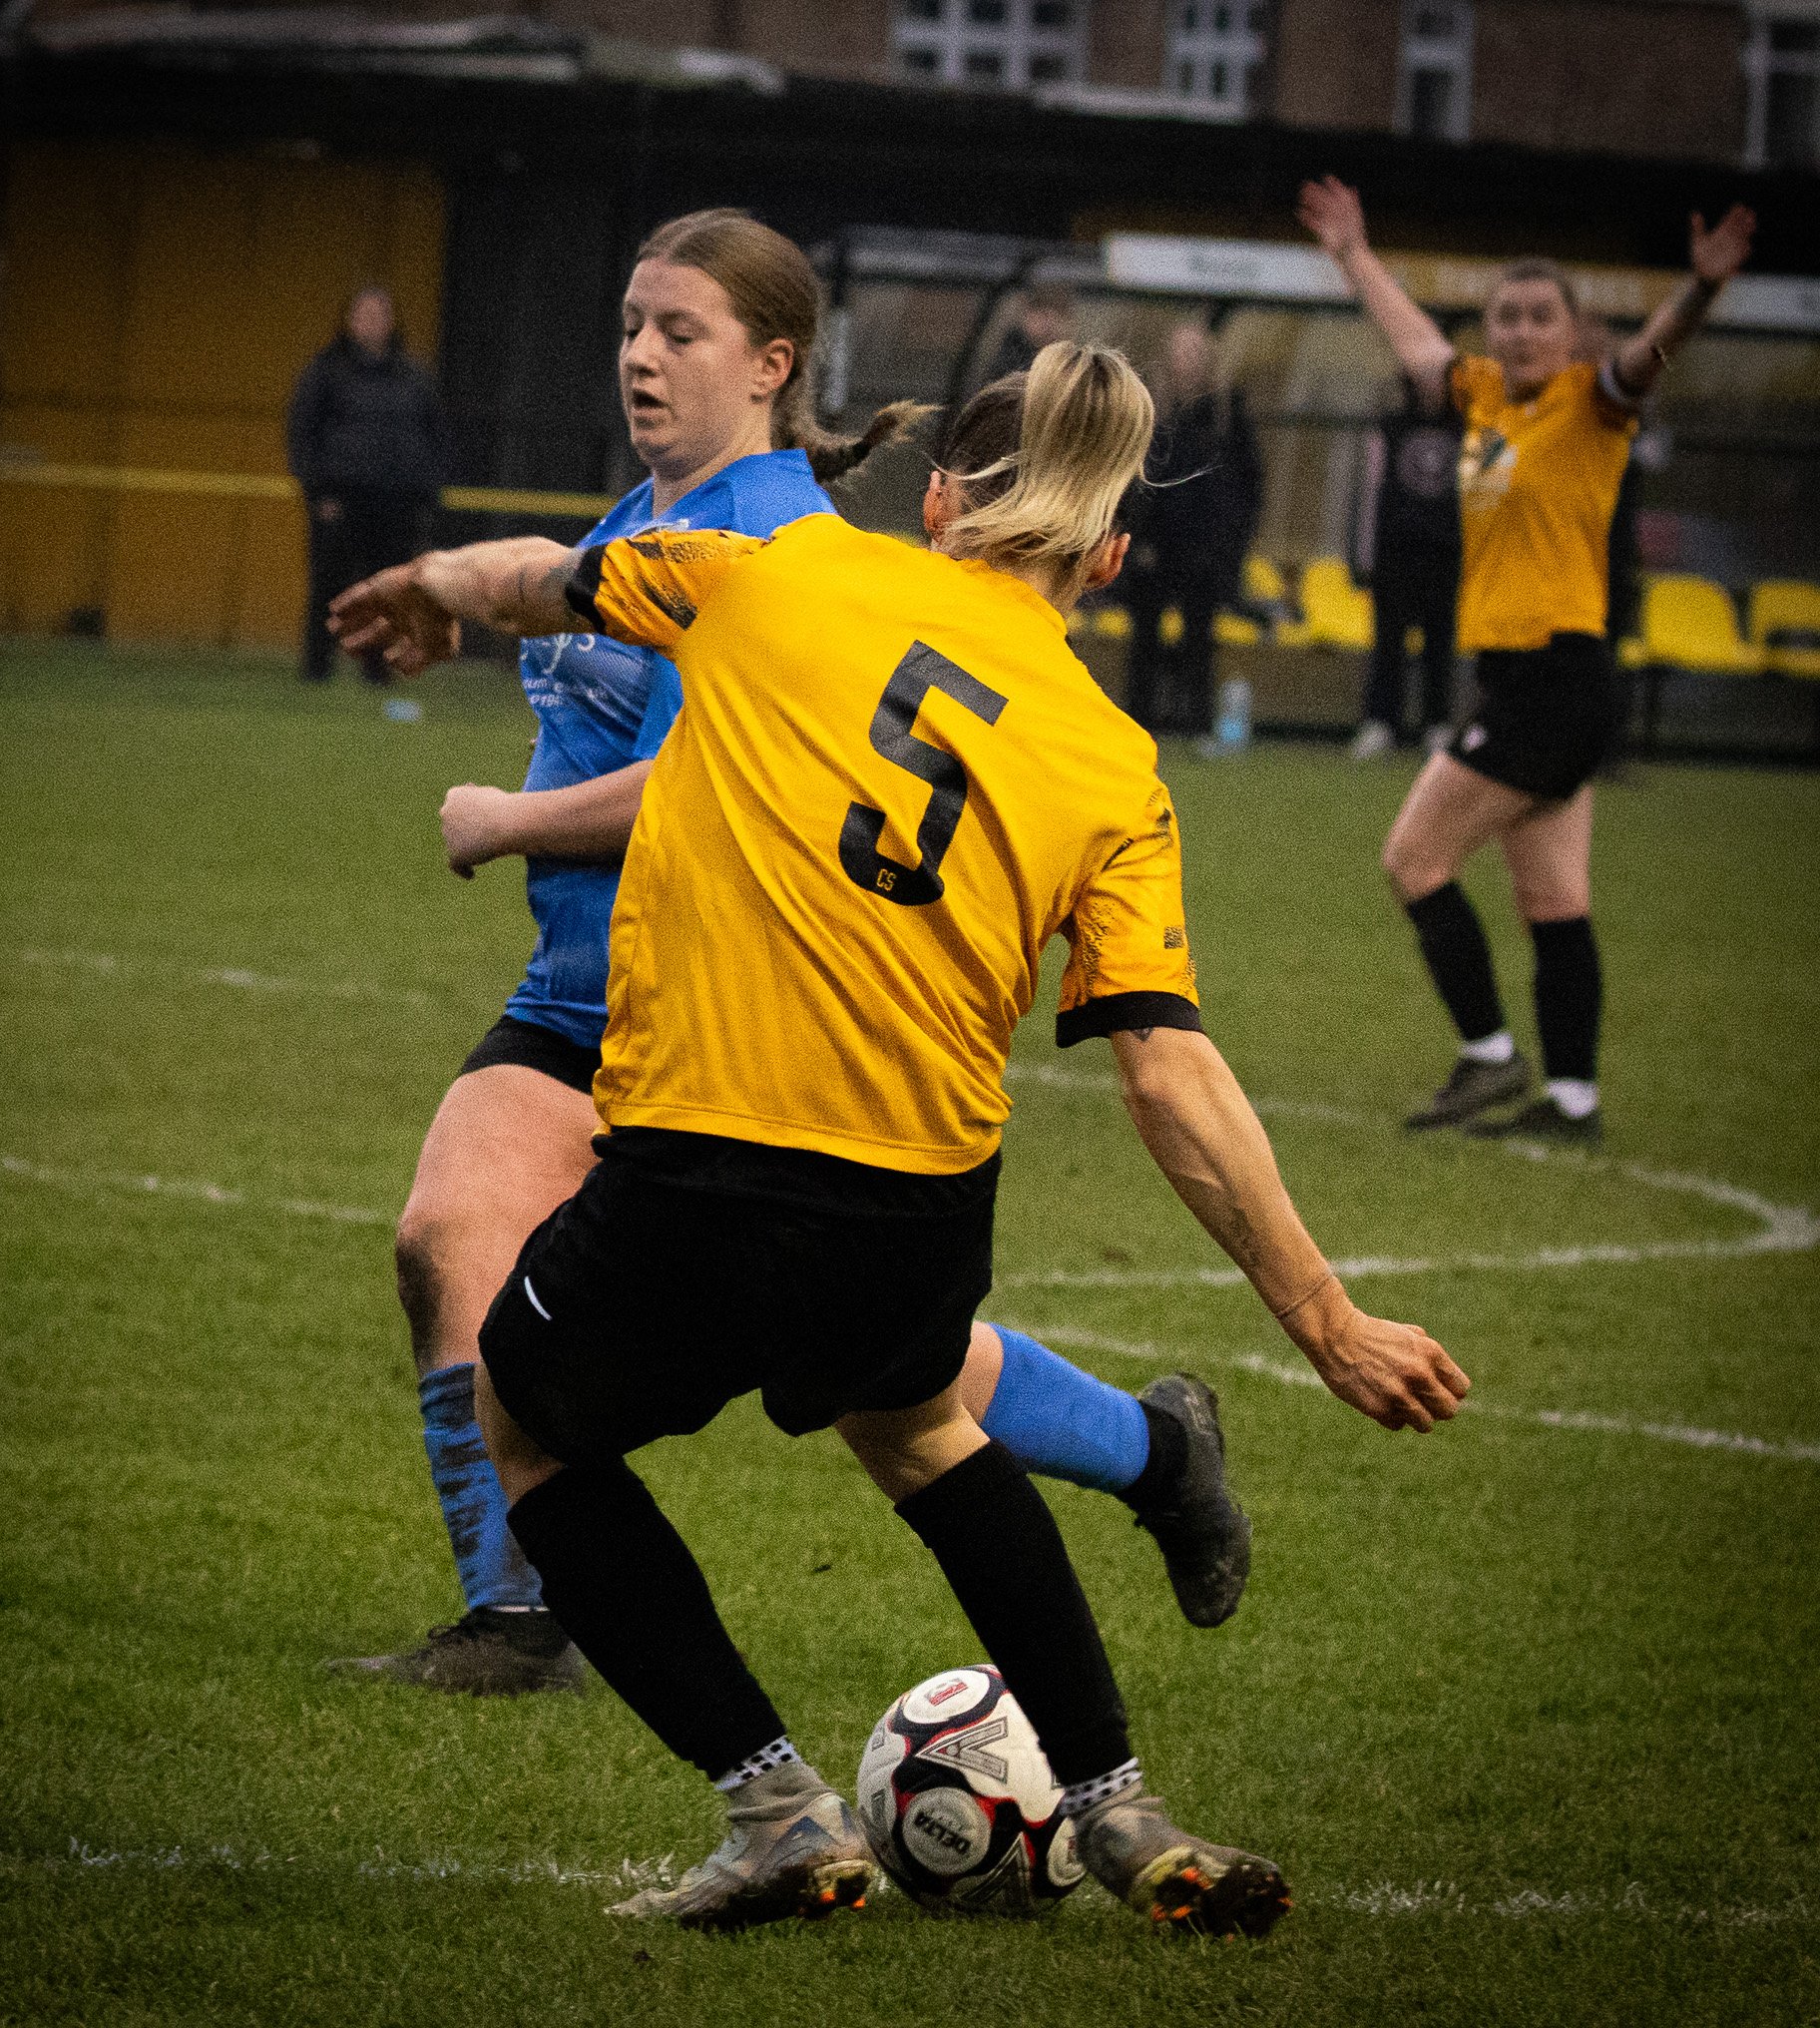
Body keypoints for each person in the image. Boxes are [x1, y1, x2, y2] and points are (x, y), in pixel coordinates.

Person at [332, 341, 1468, 1936]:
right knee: (923, 1425)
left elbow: (548, 576)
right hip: (922, 1209)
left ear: (935, 503)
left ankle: (778, 1812)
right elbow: (1169, 1078)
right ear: (1112, 559)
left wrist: (431, 581)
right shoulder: (1117, 769)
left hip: (700, 1165)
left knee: (530, 1426)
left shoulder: (777, 577)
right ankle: (1122, 1811)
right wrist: (1326, 1322)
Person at [333, 211, 1260, 1702]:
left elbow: (701, 783)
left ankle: (1156, 1453)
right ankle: (513, 1624)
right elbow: (566, 617)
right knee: (455, 1240)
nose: (639, 354)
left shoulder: (774, 544)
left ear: (772, 364)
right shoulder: (646, 517)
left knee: (870, 1373)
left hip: (716, 1003)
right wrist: (456, 601)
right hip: (584, 988)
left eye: (678, 331)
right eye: (630, 323)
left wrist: (508, 819)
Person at [1298, 177, 1756, 1141]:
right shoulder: (1481, 400)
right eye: (1505, 316)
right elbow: (1417, 341)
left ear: (1575, 333)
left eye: (1541, 317)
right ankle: (1573, 1102)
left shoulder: (1594, 404)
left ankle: (1490, 1056)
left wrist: (1702, 289)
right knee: (1552, 896)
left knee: (1413, 858)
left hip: (1554, 677)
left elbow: (1647, 356)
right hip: (1528, 681)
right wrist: (1352, 253)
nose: (1518, 331)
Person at [287, 286, 453, 684]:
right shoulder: (326, 371)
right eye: (363, 314)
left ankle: (378, 671)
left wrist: (425, 491)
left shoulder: (413, 376)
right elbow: (301, 433)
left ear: (392, 320)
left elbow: (436, 436)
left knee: (390, 591)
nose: (372, 322)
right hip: (340, 500)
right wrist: (318, 491)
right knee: (330, 588)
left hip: (396, 502)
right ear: (348, 319)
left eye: (380, 314)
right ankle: (316, 669)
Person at [1117, 321, 1263, 738]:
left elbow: (1249, 485)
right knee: (1145, 636)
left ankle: (1195, 721)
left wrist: (1229, 542)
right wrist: (1134, 537)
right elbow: (1132, 481)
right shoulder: (1150, 411)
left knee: (1199, 636)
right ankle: (1139, 722)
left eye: (1197, 353)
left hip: (1205, 548)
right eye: (1182, 352)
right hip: (1152, 547)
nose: (1189, 362)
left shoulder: (1227, 414)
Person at [1350, 375, 1461, 760]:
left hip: (1446, 556)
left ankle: (1438, 725)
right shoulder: (1390, 426)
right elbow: (1370, 493)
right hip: (1395, 555)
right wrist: (1365, 559)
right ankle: (1381, 723)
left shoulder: (1469, 427)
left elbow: (1484, 498)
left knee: (1440, 644)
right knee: (1387, 644)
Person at [985, 281, 1077, 386]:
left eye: (1059, 309)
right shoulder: (1010, 361)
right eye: (1039, 308)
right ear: (1023, 311)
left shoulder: (1071, 362)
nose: (1050, 320)